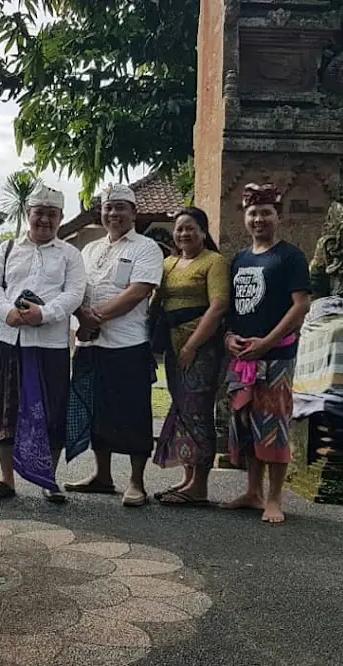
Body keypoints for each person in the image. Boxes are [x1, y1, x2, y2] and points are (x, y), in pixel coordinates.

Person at [0, 184, 86, 502]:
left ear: (60, 218)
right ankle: (6, 480)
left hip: (50, 344)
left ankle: (48, 479)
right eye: (38, 213)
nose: (44, 220)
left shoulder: (70, 254)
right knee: (5, 411)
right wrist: (6, 311)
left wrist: (45, 313)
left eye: (51, 215)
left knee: (52, 410)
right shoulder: (8, 248)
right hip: (10, 340)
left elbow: (74, 293)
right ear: (28, 215)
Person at [65, 183, 165, 507]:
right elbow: (76, 288)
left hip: (128, 343)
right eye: (109, 208)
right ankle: (103, 476)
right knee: (96, 410)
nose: (114, 214)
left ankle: (136, 482)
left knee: (133, 411)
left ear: (133, 213)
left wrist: (98, 317)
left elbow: (139, 290)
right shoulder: (90, 249)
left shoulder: (146, 248)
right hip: (91, 344)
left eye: (121, 208)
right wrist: (83, 316)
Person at [221, 183, 311, 524]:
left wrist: (268, 342)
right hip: (242, 357)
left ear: (278, 216)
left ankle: (274, 498)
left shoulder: (290, 257)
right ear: (245, 217)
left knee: (274, 424)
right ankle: (252, 491)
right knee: (245, 422)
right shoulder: (240, 260)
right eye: (253, 213)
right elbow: (232, 309)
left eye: (266, 213)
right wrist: (229, 337)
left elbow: (300, 306)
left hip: (277, 357)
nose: (259, 219)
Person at [151, 207, 230, 506]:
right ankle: (187, 478)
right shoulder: (169, 263)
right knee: (183, 410)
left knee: (198, 411)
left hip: (202, 349)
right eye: (179, 228)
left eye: (191, 228)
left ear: (203, 231)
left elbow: (219, 306)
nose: (184, 233)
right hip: (173, 348)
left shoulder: (214, 262)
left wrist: (193, 345)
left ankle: (201, 485)